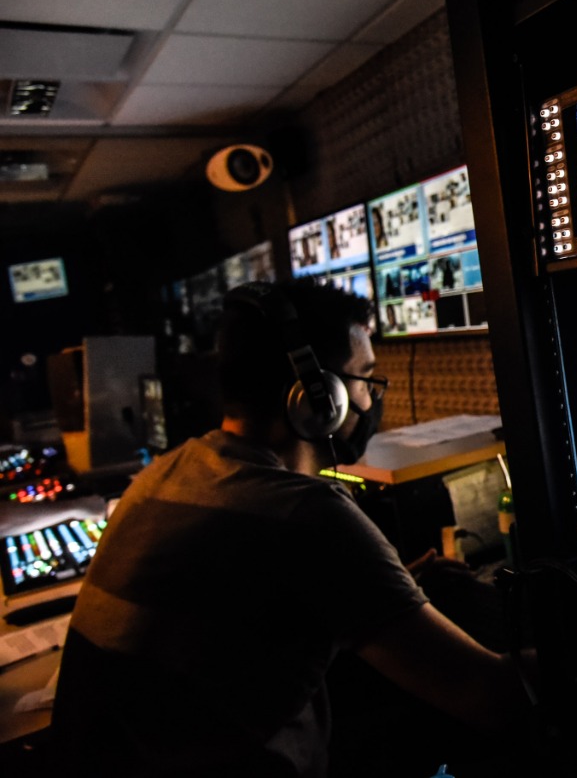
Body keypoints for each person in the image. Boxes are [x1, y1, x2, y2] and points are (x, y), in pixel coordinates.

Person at [51, 280, 533, 776]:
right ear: (318, 398)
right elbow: (492, 699)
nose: (371, 399)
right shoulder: (305, 513)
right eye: (365, 377)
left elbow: (254, 620)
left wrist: (385, 594)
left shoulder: (164, 475)